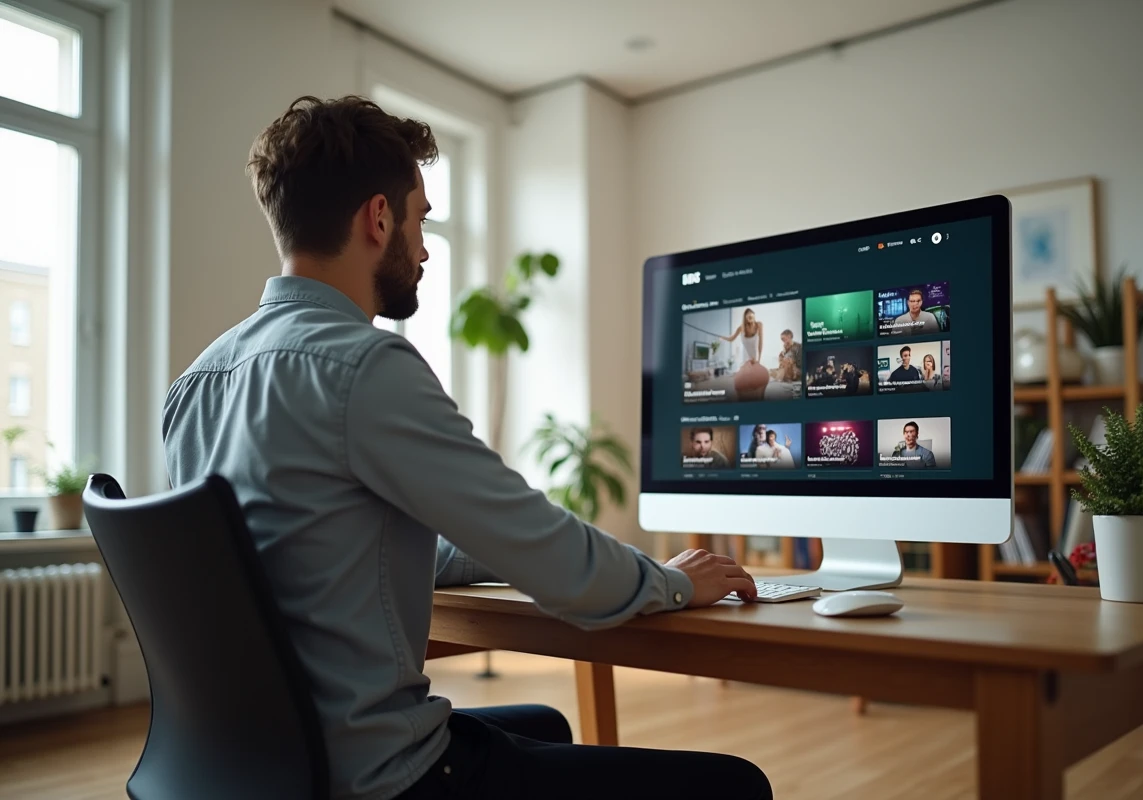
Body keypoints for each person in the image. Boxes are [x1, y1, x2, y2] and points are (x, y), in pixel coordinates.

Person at [160, 96, 770, 800]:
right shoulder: (364, 367)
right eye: (419, 220)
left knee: (542, 720)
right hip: (382, 781)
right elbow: (555, 561)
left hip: (252, 769)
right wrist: (671, 582)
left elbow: (316, 545)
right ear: (378, 217)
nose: (421, 249)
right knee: (735, 786)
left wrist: (487, 548)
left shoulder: (195, 383)